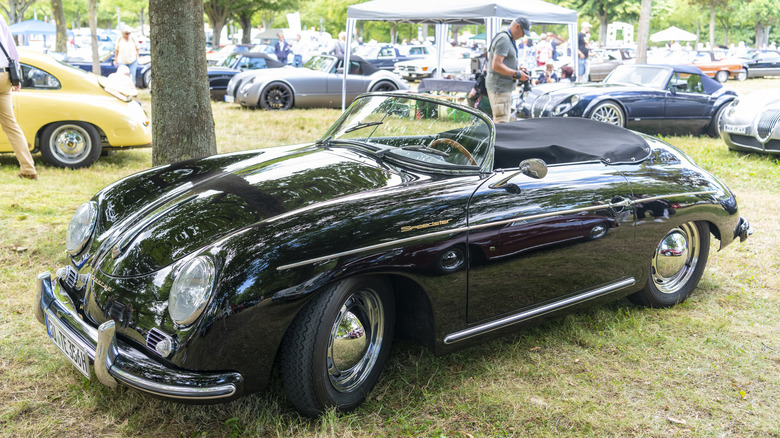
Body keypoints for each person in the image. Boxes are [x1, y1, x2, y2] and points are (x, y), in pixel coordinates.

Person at [0, 14, 37, 179]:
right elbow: (11, 48)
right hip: (5, 76)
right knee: (11, 126)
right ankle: (28, 169)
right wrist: (17, 78)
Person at [486, 16, 531, 124]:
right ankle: (498, 141)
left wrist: (517, 69)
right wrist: (517, 73)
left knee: (499, 119)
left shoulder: (506, 37)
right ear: (517, 27)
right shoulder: (504, 39)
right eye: (523, 32)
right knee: (502, 121)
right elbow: (496, 65)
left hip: (501, 86)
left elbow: (501, 62)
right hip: (500, 88)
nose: (523, 36)